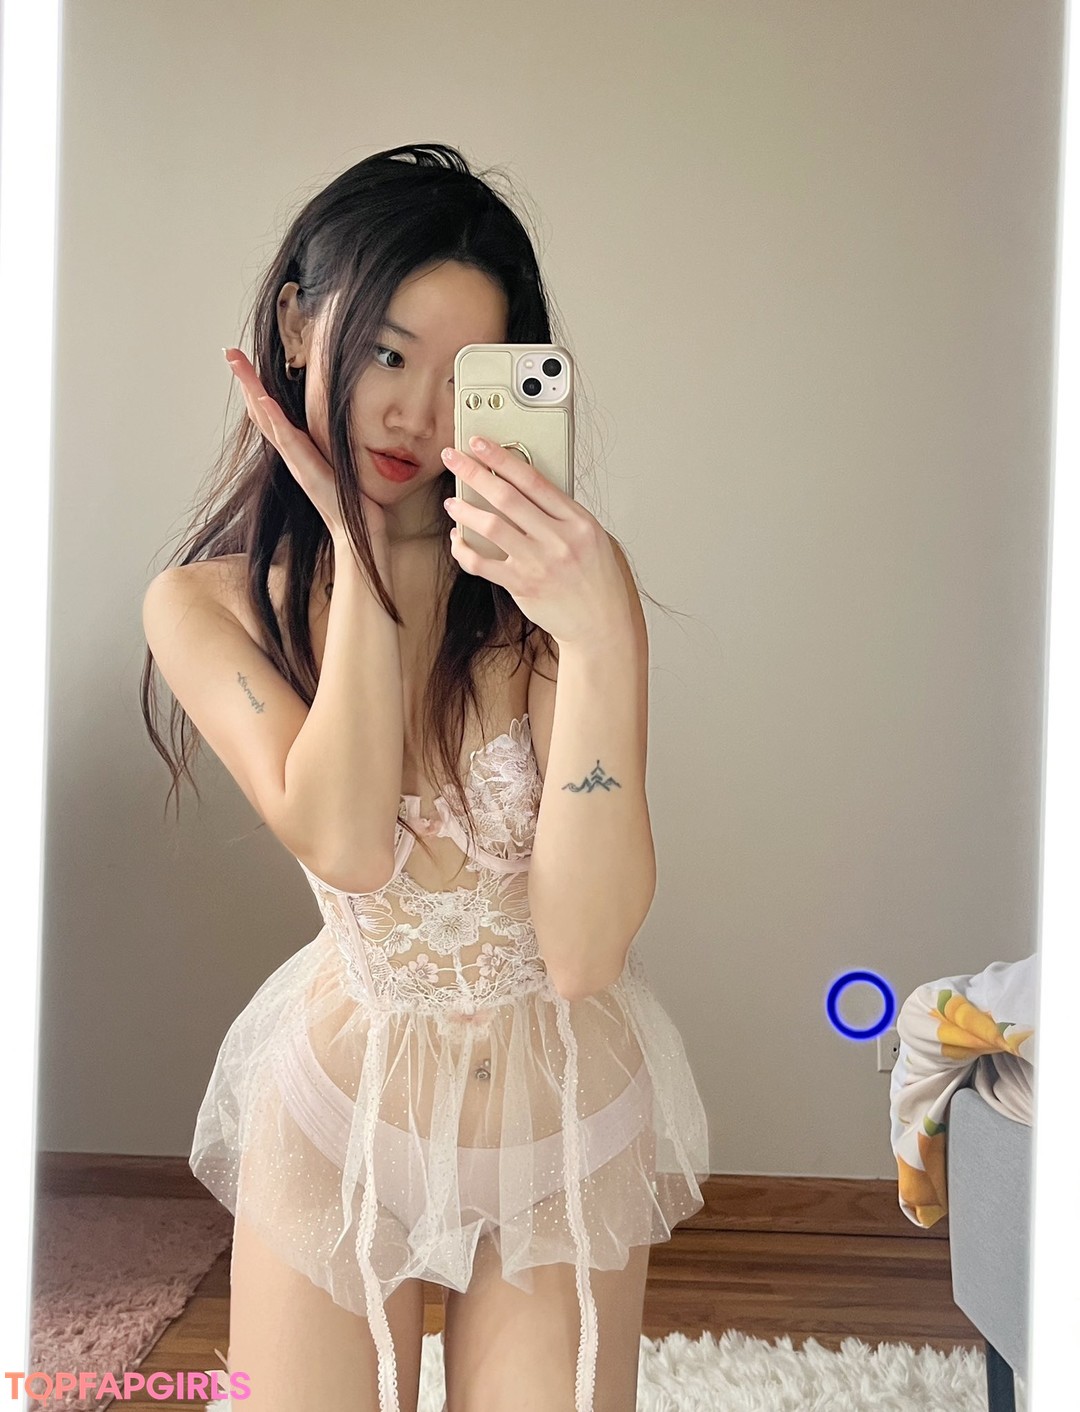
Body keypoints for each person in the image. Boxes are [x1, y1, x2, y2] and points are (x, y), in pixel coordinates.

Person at [140, 143, 709, 1412]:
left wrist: (602, 636)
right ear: (301, 324)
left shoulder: (555, 593)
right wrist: (356, 550)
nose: (415, 414)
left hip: (563, 1112)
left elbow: (584, 949)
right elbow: (347, 841)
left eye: (467, 380)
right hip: (342, 1108)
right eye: (388, 355)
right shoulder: (206, 605)